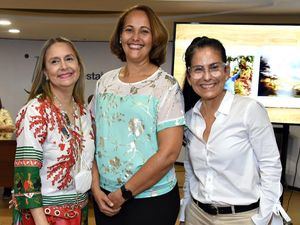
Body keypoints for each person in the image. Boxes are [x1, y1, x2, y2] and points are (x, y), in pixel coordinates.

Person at [89, 5, 185, 225]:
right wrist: (95, 188)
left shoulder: (166, 86)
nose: (136, 37)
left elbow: (169, 154)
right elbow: (91, 139)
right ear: (120, 37)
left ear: (155, 38)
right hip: (105, 198)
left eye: (145, 31)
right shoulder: (105, 82)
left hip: (151, 201)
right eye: (129, 30)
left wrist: (123, 194)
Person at [179, 36, 287, 225]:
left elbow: (271, 167)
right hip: (197, 215)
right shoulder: (189, 118)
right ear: (189, 77)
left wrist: (263, 219)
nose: (206, 77)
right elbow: (190, 171)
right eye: (198, 69)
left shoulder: (249, 110)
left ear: (226, 70)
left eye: (214, 67)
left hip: (242, 218)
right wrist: (185, 213)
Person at [11, 37, 95, 225]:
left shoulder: (82, 111)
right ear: (46, 73)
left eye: (69, 59)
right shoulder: (35, 111)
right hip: (44, 218)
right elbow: (26, 175)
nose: (63, 66)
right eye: (55, 61)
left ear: (79, 67)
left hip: (79, 213)